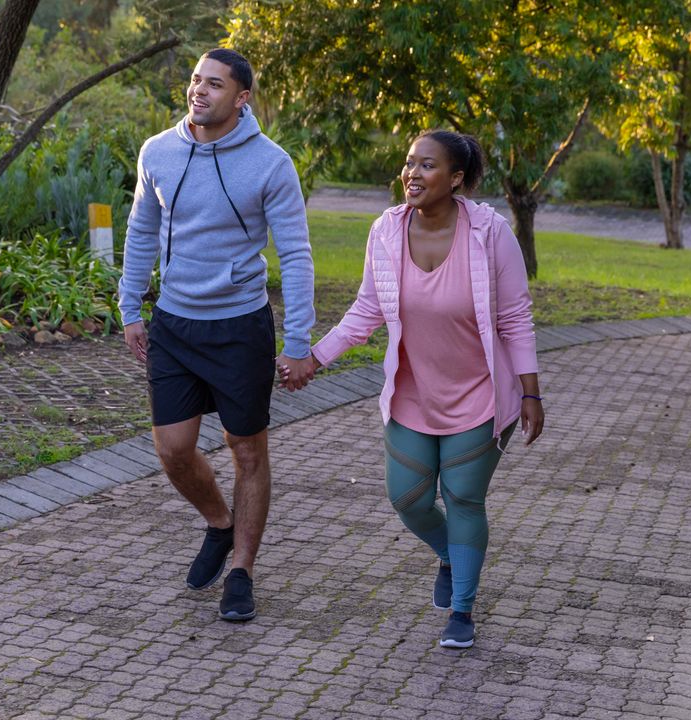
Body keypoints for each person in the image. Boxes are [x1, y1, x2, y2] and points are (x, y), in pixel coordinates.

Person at [300, 130, 544, 648]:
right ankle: (449, 555)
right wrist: (315, 358)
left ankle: (462, 611)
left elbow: (515, 318)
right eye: (409, 163)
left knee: (462, 497)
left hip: (479, 392)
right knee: (408, 498)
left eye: (426, 165)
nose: (412, 173)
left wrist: (530, 393)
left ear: (455, 179)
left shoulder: (489, 233)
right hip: (412, 392)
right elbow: (366, 310)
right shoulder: (386, 231)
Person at [118, 48, 315, 622]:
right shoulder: (158, 151)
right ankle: (219, 525)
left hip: (239, 327)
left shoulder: (271, 164)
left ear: (242, 97)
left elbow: (297, 255)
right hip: (175, 325)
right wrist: (131, 307)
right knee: (173, 451)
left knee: (247, 450)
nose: (199, 92)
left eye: (215, 84)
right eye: (196, 81)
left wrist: (298, 340)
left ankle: (243, 571)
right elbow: (140, 231)